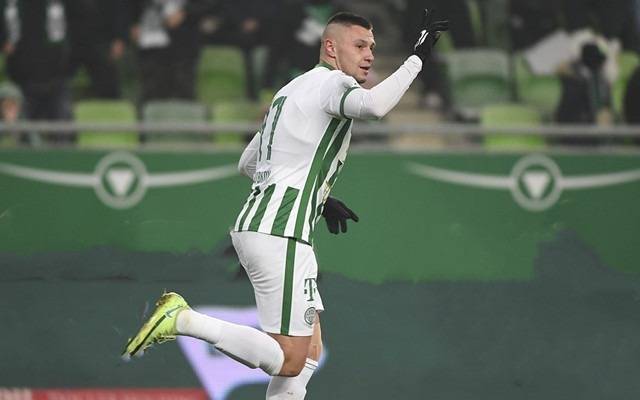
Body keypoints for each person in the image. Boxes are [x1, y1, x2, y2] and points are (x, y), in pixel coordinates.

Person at [122, 10, 449, 399]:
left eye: (373, 48)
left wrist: (318, 195)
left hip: (268, 226)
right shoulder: (332, 83)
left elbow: (248, 163)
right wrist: (417, 59)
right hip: (281, 232)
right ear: (331, 48)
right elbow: (375, 107)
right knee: (290, 358)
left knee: (309, 352)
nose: (369, 55)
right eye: (360, 45)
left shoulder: (290, 90)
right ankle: (183, 320)